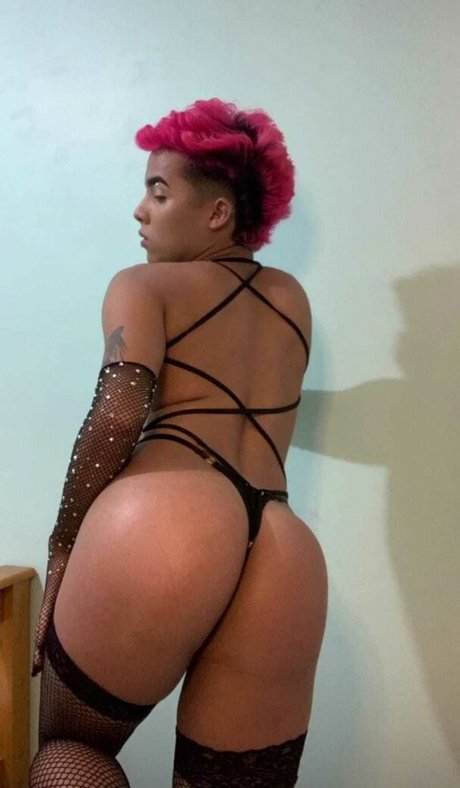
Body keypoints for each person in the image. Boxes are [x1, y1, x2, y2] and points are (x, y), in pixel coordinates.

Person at [29, 98, 328, 787]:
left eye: (158, 192)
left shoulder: (142, 285)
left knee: (73, 751)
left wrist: (63, 546)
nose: (140, 211)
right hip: (284, 546)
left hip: (170, 516)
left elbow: (116, 417)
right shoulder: (292, 299)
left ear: (218, 213)